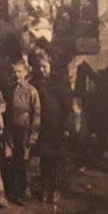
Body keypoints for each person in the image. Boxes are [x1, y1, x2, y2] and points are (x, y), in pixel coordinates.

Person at [33, 57, 71, 204]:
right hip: (43, 126)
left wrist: (66, 127)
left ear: (51, 67)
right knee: (45, 159)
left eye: (44, 67)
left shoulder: (59, 85)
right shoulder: (36, 84)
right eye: (39, 67)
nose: (42, 70)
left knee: (56, 160)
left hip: (57, 127)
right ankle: (44, 187)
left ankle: (54, 189)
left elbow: (67, 108)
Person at [6, 60, 41, 205]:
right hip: (13, 129)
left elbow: (37, 113)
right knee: (13, 160)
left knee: (23, 161)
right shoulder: (11, 90)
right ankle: (13, 191)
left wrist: (34, 134)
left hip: (25, 128)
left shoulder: (31, 91)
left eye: (19, 72)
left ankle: (23, 192)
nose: (16, 75)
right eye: (14, 72)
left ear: (26, 73)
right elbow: (8, 111)